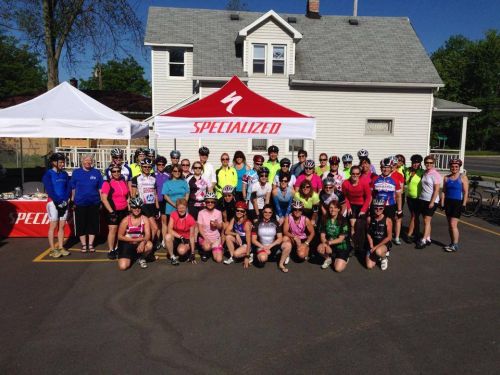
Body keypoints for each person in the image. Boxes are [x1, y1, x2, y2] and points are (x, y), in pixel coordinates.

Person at [71, 154, 103, 252]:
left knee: (92, 224)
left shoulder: (97, 172)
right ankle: (84, 245)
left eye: (90, 160)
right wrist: (72, 200)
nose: (88, 162)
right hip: (80, 203)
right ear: (82, 161)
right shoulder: (76, 173)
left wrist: (101, 201)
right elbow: (73, 188)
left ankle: (91, 244)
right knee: (81, 224)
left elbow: (100, 188)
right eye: (86, 160)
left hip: (94, 202)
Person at [42, 152, 71, 258]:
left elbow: (68, 187)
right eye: (61, 162)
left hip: (63, 202)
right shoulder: (48, 174)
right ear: (54, 162)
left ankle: (60, 247)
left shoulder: (64, 174)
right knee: (53, 226)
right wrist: (58, 201)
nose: (63, 164)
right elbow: (50, 189)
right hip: (53, 202)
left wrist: (65, 199)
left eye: (63, 162)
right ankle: (53, 249)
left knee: (62, 225)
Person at [372, 158, 402, 250]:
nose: (385, 169)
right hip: (378, 207)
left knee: (388, 225)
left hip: (390, 206)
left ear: (391, 168)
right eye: (383, 167)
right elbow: (371, 195)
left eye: (388, 167)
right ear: (381, 168)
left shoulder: (395, 180)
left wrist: (399, 210)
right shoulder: (375, 179)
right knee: (377, 226)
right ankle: (377, 243)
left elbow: (398, 196)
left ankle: (387, 244)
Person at [101, 163, 130, 259]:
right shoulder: (107, 183)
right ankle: (111, 249)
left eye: (118, 171)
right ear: (110, 173)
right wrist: (111, 211)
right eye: (114, 171)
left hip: (124, 209)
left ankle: (117, 247)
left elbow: (127, 196)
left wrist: (128, 207)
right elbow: (104, 198)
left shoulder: (123, 181)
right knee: (113, 230)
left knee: (121, 230)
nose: (116, 173)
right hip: (113, 210)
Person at [131, 158, 160, 249]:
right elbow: (133, 195)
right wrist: (135, 208)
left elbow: (155, 193)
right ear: (141, 167)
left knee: (150, 228)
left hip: (152, 205)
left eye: (149, 167)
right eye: (145, 166)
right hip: (143, 206)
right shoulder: (136, 178)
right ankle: (147, 246)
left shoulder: (153, 179)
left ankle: (146, 246)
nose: (147, 168)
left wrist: (157, 207)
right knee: (154, 228)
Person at [116, 197, 153, 270]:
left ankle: (141, 257)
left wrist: (143, 242)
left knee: (149, 245)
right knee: (123, 267)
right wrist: (132, 240)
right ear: (131, 208)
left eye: (139, 207)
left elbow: (148, 234)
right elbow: (119, 236)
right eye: (134, 207)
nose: (137, 209)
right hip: (127, 244)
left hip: (139, 243)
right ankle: (133, 256)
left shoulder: (144, 219)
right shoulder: (126, 220)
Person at [441, 158, 468, 252]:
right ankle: (452, 243)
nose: (454, 168)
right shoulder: (446, 178)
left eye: (456, 167)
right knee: (449, 225)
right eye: (452, 166)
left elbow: (465, 192)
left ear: (459, 167)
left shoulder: (463, 177)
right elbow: (444, 191)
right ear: (450, 167)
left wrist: (464, 204)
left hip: (457, 203)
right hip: (448, 202)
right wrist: (442, 202)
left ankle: (455, 245)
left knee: (453, 224)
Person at [251, 204, 289, 273]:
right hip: (261, 246)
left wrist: (269, 246)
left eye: (270, 212)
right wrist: (263, 247)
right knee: (262, 258)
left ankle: (281, 264)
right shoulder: (257, 223)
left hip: (273, 246)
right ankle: (259, 256)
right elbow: (253, 240)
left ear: (272, 213)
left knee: (288, 245)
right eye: (265, 212)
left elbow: (280, 238)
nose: (267, 214)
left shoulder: (275, 223)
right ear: (262, 212)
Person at [342, 165, 371, 252]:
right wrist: (348, 207)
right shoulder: (345, 183)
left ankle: (362, 244)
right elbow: (345, 196)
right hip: (352, 206)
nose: (355, 175)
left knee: (361, 226)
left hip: (362, 205)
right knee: (352, 225)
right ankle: (353, 245)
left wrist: (363, 210)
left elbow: (368, 197)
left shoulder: (364, 182)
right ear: (350, 174)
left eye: (357, 174)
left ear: (360, 174)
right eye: (353, 173)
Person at [416, 155, 442, 249]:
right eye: (427, 162)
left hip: (431, 200)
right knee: (426, 220)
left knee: (427, 220)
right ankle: (428, 238)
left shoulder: (436, 174)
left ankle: (423, 240)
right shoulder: (425, 173)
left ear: (433, 163)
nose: (429, 164)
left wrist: (432, 202)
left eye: (431, 163)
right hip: (423, 199)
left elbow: (436, 190)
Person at [317, 200, 350, 272]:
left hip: (342, 247)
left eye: (335, 208)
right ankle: (328, 258)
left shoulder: (343, 220)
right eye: (331, 207)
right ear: (328, 209)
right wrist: (325, 244)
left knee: (338, 269)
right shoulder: (324, 219)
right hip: (330, 244)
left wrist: (328, 243)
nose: (333, 210)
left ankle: (344, 258)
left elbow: (341, 239)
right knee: (320, 248)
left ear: (339, 209)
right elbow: (322, 235)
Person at [165, 198, 197, 265]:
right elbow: (169, 229)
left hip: (186, 239)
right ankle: (172, 257)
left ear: (186, 208)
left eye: (183, 208)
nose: (181, 210)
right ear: (176, 208)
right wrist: (181, 237)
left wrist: (193, 253)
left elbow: (192, 236)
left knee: (181, 251)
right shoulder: (173, 214)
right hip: (178, 237)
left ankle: (186, 251)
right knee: (167, 236)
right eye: (179, 208)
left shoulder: (191, 219)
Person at [366, 198, 392, 271]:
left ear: (383, 209)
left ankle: (384, 258)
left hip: (384, 243)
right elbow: (368, 233)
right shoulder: (369, 219)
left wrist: (375, 248)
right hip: (374, 243)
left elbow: (389, 237)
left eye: (380, 208)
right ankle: (378, 255)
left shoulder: (388, 220)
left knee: (378, 251)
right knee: (369, 266)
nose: (378, 210)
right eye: (376, 208)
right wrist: (371, 245)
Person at [224, 201, 253, 266]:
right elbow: (226, 231)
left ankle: (250, 254)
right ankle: (232, 257)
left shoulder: (246, 224)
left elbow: (249, 242)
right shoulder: (234, 219)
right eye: (237, 210)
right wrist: (236, 234)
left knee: (236, 254)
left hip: (247, 244)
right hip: (240, 241)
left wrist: (247, 257)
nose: (239, 212)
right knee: (228, 237)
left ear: (245, 213)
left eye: (242, 211)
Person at [197, 192, 224, 263]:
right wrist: (206, 239)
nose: (210, 203)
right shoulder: (201, 213)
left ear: (215, 203)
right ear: (205, 202)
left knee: (219, 260)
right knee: (207, 247)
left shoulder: (218, 212)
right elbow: (200, 228)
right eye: (208, 202)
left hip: (216, 238)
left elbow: (221, 226)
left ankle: (214, 249)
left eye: (212, 202)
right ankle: (205, 252)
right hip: (205, 237)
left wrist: (217, 225)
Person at [404, 154, 424, 243]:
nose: (415, 164)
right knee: (413, 216)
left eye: (417, 163)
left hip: (418, 198)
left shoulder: (422, 172)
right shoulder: (407, 170)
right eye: (414, 162)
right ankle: (415, 234)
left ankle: (413, 234)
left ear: (420, 164)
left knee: (416, 216)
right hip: (409, 197)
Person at [154, 156, 170, 248]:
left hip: (164, 201)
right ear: (156, 165)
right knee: (156, 222)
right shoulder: (153, 175)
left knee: (164, 221)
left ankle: (164, 240)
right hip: (155, 201)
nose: (161, 166)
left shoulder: (168, 175)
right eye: (159, 164)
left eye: (162, 164)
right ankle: (157, 240)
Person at [389, 157, 405, 245]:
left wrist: (396, 196)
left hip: (397, 200)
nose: (393, 167)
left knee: (398, 219)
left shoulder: (399, 175)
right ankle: (389, 235)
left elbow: (401, 190)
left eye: (394, 165)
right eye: (391, 165)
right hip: (388, 201)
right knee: (389, 219)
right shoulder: (386, 174)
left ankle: (397, 237)